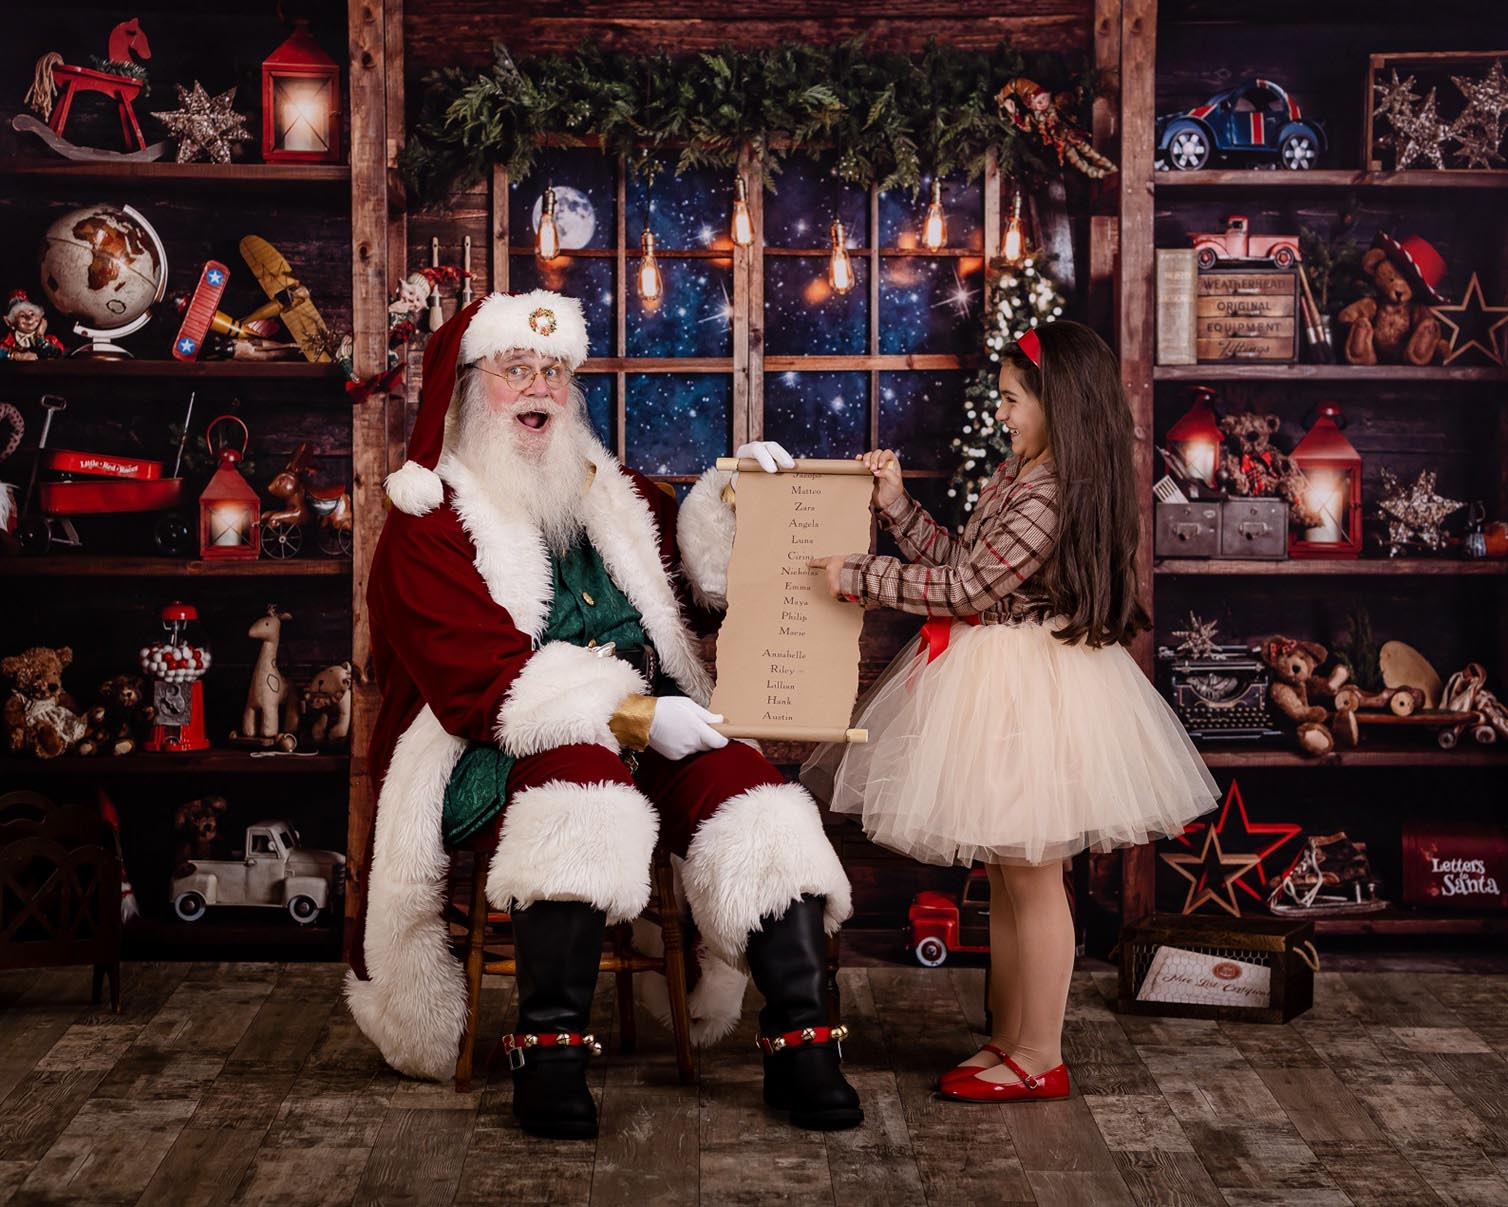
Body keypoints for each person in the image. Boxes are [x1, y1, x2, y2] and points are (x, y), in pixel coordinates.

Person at [349, 289, 861, 1138]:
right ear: (472, 387)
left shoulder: (606, 491)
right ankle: (548, 1051)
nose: (540, 387)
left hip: (648, 721)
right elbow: (481, 683)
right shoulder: (428, 521)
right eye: (517, 369)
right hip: (498, 747)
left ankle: (803, 1042)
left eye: (554, 369)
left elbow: (698, 574)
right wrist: (626, 715)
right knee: (579, 783)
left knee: (750, 789)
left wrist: (744, 498)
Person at [804, 319, 1218, 1103]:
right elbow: (965, 563)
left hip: (1031, 686)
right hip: (1001, 674)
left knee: (1034, 878)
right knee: (1007, 870)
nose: (1002, 413)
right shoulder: (1021, 474)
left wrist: (858, 574)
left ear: (1055, 403)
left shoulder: (1053, 490)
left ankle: (1041, 1052)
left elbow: (967, 592)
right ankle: (1010, 1034)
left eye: (1011, 399)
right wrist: (896, 508)